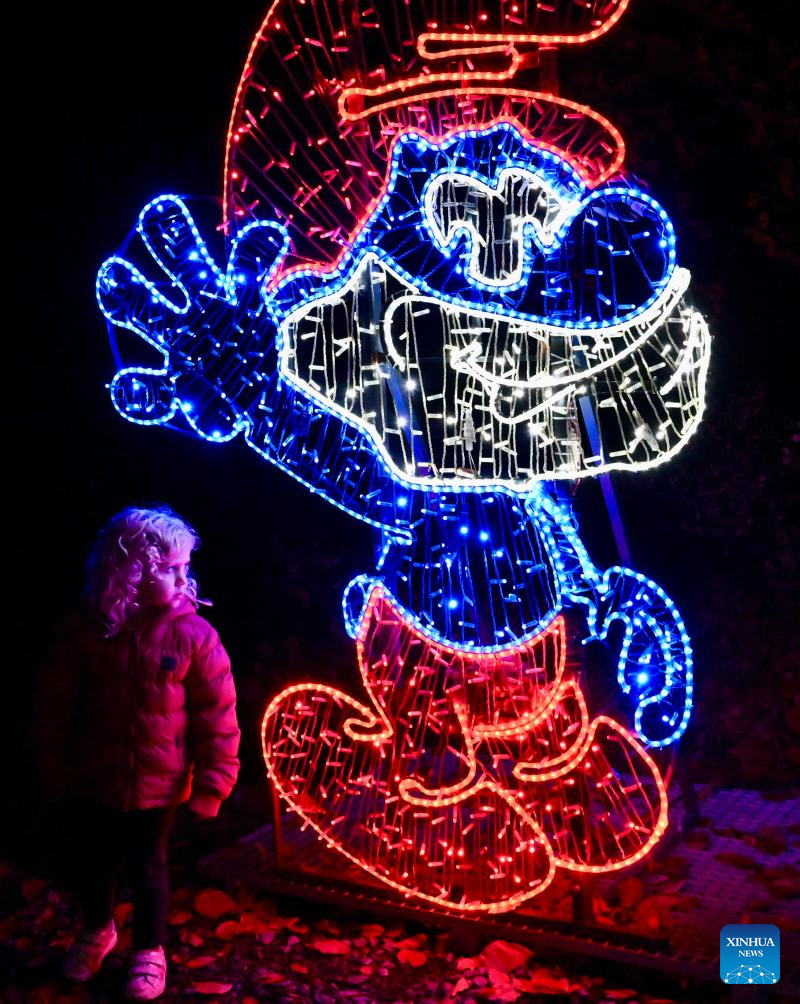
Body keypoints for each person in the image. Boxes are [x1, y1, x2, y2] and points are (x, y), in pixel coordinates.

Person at [33, 506, 240, 1000]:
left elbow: (218, 714)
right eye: (168, 569)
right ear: (128, 571)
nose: (182, 578)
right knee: (94, 860)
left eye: (184, 567)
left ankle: (149, 949)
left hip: (160, 781)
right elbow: (55, 705)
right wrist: (52, 766)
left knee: (148, 866)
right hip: (94, 776)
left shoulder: (193, 635)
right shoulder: (87, 632)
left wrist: (213, 784)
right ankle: (97, 930)